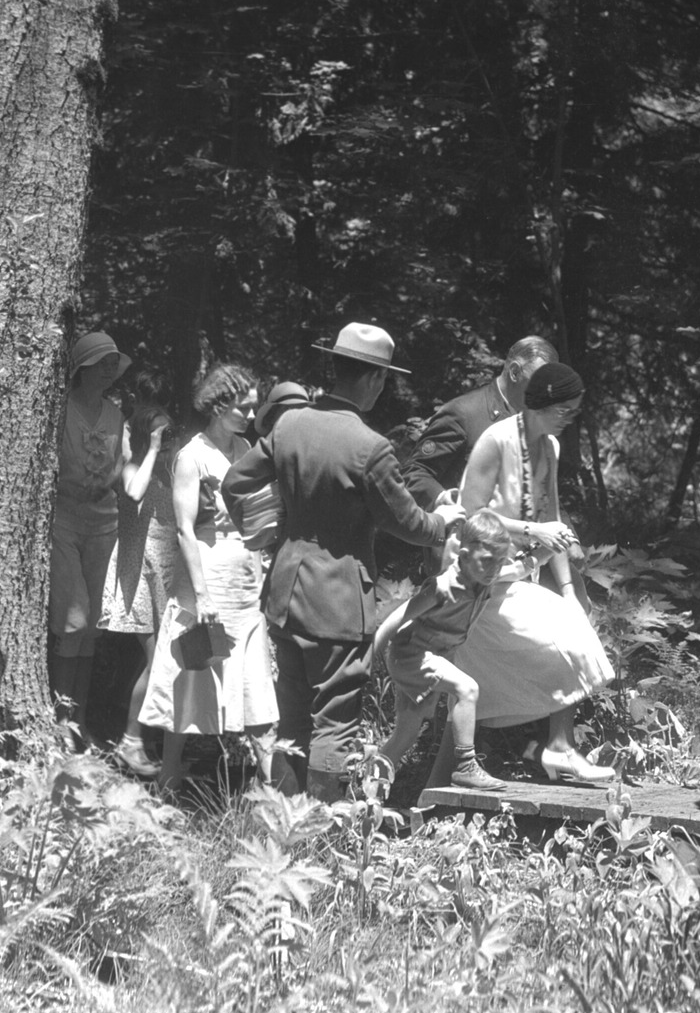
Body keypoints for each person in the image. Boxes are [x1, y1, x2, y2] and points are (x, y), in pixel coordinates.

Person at [221, 323, 465, 800]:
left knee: (291, 713)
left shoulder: (289, 424)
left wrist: (270, 527)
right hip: (336, 603)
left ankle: (283, 819)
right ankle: (324, 830)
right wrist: (443, 521)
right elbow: (406, 523)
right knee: (335, 717)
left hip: (285, 595)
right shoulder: (369, 447)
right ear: (374, 379)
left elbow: (234, 483)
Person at [450, 362, 616, 783]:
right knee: (547, 649)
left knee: (576, 629)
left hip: (517, 578)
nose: (571, 419)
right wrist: (531, 530)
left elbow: (552, 520)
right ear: (544, 404)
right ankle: (455, 770)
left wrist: (568, 589)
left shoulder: (551, 448)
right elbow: (469, 514)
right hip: (476, 584)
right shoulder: (497, 439)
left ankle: (558, 748)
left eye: (575, 413)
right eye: (567, 411)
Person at [136, 366, 276, 792]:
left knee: (255, 677)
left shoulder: (248, 449)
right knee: (192, 670)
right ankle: (170, 773)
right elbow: (184, 530)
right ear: (219, 406)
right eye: (243, 407)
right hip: (208, 575)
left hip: (246, 577)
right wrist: (201, 595)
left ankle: (271, 784)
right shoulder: (191, 457)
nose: (251, 416)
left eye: (254, 407)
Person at [369, 508, 515, 790]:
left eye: (499, 562)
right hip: (412, 655)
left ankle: (366, 793)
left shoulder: (483, 578)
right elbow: (397, 618)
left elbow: (521, 568)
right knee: (467, 689)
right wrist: (365, 661)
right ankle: (465, 765)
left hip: (429, 656)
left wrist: (550, 542)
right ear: (463, 555)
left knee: (405, 735)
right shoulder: (443, 586)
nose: (494, 569)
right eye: (487, 561)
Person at [49, 331, 132, 733]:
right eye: (102, 362)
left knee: (92, 625)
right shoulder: (59, 411)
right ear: (82, 367)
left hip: (104, 524)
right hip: (63, 522)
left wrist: (109, 479)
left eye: (113, 364)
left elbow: (124, 464)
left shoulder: (116, 416)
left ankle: (77, 720)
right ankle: (60, 717)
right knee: (73, 617)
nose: (109, 370)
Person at [103, 397, 174, 777]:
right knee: (157, 661)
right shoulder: (134, 466)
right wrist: (152, 450)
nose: (166, 440)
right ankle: (131, 740)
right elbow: (133, 493)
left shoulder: (171, 472)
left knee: (166, 661)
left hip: (165, 575)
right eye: (159, 432)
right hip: (138, 575)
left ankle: (146, 739)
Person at [404, 337, 557, 509]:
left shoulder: (536, 425)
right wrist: (444, 499)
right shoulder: (464, 414)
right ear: (514, 372)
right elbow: (415, 473)